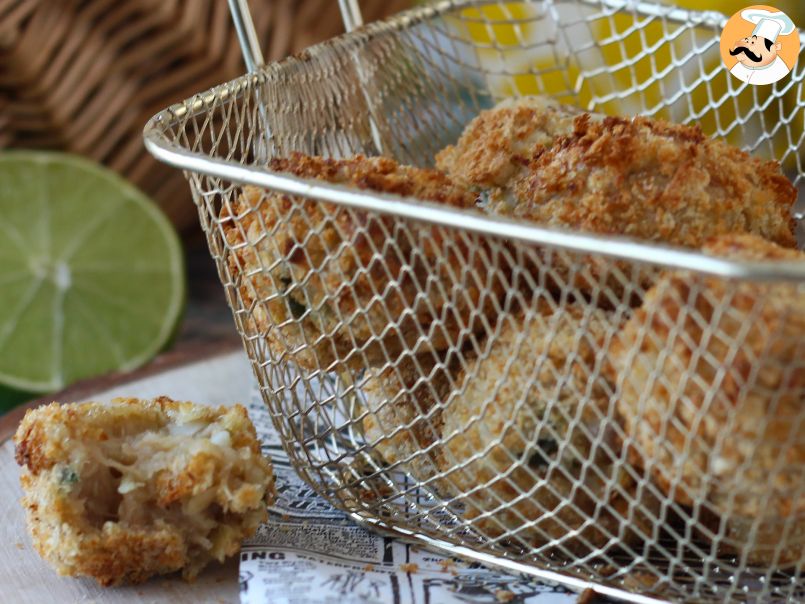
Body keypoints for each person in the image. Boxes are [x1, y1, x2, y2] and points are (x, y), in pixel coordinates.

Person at [729, 9, 796, 85]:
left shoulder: (780, 69)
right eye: (748, 40)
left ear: (776, 47)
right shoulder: (737, 66)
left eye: (753, 43)